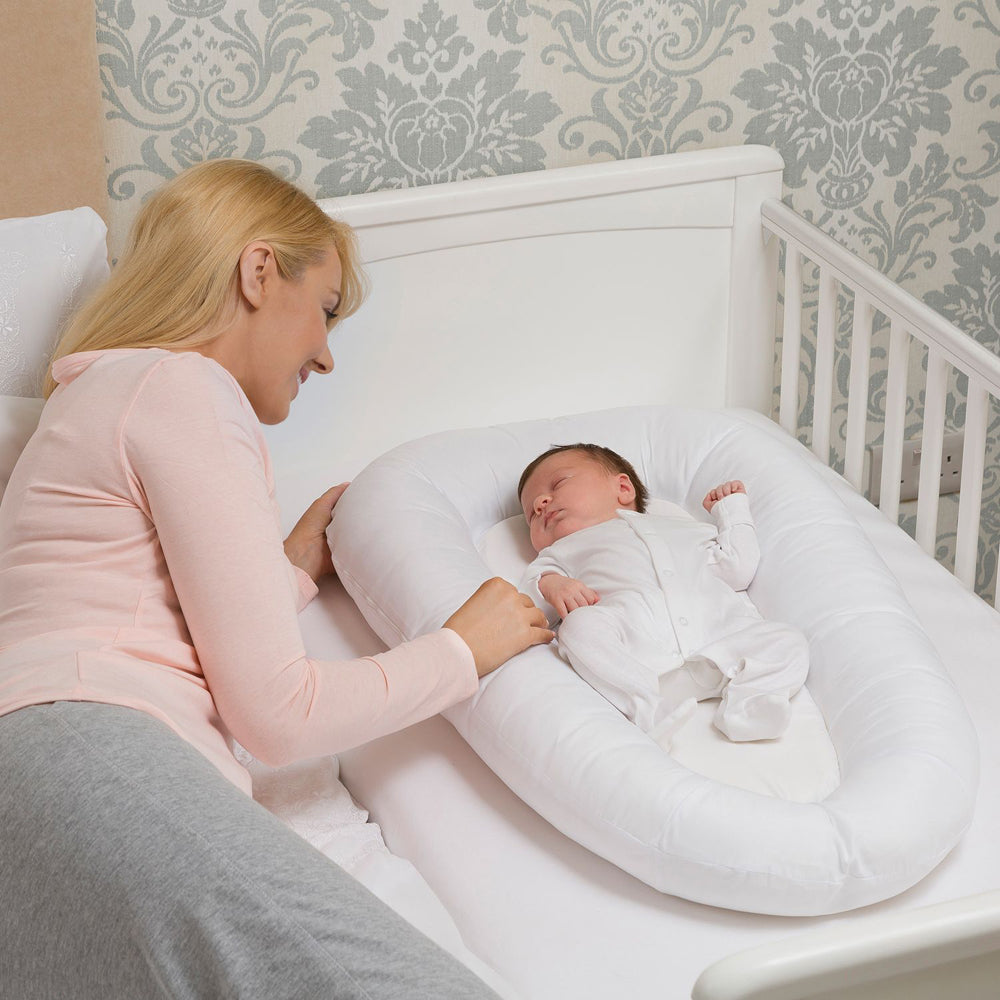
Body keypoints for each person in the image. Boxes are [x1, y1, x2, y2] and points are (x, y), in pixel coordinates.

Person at [0, 159, 553, 999]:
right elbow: (279, 716)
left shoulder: (107, 392)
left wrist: (285, 571)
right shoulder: (180, 384)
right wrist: (461, 650)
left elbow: (124, 599)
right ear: (258, 271)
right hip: (82, 748)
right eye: (326, 311)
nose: (326, 357)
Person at [518, 443, 809, 745]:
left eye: (558, 484)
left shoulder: (686, 528)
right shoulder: (561, 551)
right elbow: (528, 603)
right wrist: (552, 585)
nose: (540, 503)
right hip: (643, 656)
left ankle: (751, 703)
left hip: (720, 644)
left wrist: (731, 510)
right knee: (578, 628)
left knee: (788, 640)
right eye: (530, 515)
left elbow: (737, 567)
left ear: (623, 488)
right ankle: (647, 708)